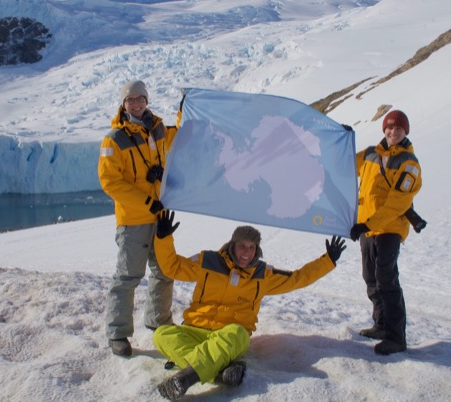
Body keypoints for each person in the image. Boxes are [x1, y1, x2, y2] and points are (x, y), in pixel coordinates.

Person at [151, 210, 347, 400]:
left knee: (236, 333)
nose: (247, 252)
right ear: (232, 245)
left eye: (252, 247)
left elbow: (297, 278)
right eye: (242, 246)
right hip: (193, 331)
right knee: (161, 334)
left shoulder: (263, 275)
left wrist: (327, 261)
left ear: (257, 250)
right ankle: (218, 373)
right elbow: (173, 267)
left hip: (229, 338)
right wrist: (163, 238)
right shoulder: (208, 261)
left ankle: (185, 378)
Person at [98, 80, 179, 357]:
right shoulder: (114, 139)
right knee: (128, 276)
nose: (136, 103)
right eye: (130, 99)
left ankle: (159, 322)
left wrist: (185, 110)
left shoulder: (157, 128)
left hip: (160, 217)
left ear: (146, 101)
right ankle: (117, 333)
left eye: (140, 98)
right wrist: (146, 201)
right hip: (133, 220)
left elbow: (178, 136)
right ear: (123, 104)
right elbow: (110, 181)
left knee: (165, 270)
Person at [349, 109, 422, 355]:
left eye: (398, 129)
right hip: (368, 231)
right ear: (384, 130)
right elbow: (345, 163)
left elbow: (397, 203)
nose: (393, 132)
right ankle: (380, 324)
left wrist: (367, 224)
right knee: (370, 278)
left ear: (405, 132)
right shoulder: (371, 153)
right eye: (389, 128)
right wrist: (343, 140)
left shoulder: (409, 164)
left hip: (389, 229)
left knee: (387, 280)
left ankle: (396, 337)